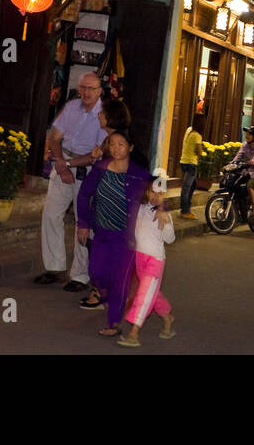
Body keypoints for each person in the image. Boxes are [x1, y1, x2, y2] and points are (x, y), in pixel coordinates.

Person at [34, 72, 106, 290]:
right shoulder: (72, 107)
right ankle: (54, 267)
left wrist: (68, 165)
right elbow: (54, 138)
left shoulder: (104, 115)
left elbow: (97, 153)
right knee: (50, 214)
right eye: (83, 88)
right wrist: (59, 161)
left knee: (82, 222)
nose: (86, 92)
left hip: (86, 170)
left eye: (91, 89)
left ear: (99, 91)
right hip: (62, 162)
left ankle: (80, 275)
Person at [76, 129, 151, 337]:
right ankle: (113, 299)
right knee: (96, 273)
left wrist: (161, 211)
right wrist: (82, 223)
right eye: (112, 143)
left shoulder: (139, 173)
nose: (116, 148)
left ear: (130, 147)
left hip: (126, 239)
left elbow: (155, 194)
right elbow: (84, 195)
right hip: (101, 233)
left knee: (120, 280)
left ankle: (114, 322)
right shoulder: (100, 169)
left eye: (121, 144)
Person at [117, 176, 177, 347]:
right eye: (152, 191)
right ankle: (167, 318)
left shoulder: (165, 215)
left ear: (165, 195)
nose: (155, 196)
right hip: (139, 259)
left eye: (160, 193)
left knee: (144, 296)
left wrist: (165, 221)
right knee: (152, 294)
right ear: (147, 191)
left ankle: (133, 334)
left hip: (155, 260)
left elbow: (170, 239)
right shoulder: (141, 209)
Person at [178, 112, 205, 219]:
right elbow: (198, 151)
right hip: (191, 164)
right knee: (186, 188)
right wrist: (201, 151)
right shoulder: (197, 136)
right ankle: (185, 211)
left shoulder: (189, 130)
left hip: (183, 161)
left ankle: (187, 208)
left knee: (192, 186)